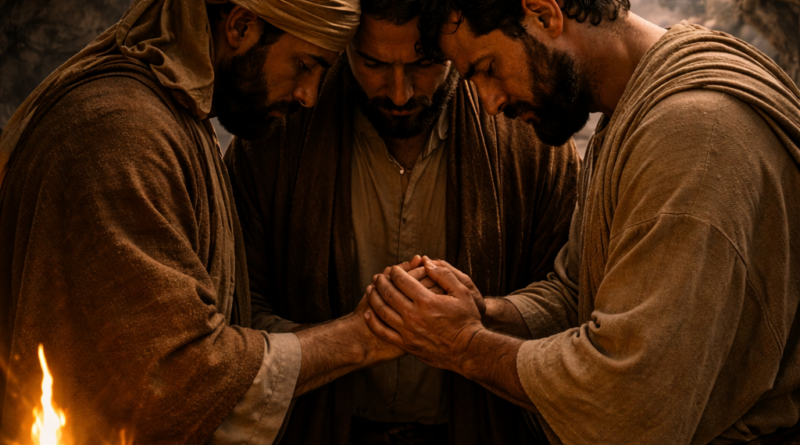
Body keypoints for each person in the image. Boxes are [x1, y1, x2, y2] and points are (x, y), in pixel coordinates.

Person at [364, 0, 800, 443]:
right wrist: (484, 314)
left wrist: (464, 346)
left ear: (543, 13)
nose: (491, 104)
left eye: (488, 68)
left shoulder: (693, 136)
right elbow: (579, 295)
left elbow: (630, 404)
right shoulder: (636, 111)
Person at [0, 0, 412, 443]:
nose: (309, 95)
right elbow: (175, 379)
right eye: (305, 65)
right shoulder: (123, 136)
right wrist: (357, 338)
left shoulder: (164, 118)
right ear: (241, 25)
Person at [223, 0, 579, 442]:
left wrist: (481, 318)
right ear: (344, 44)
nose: (399, 93)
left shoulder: (526, 128)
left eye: (424, 64)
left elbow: (569, 295)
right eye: (372, 63)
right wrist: (349, 341)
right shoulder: (276, 132)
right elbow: (238, 306)